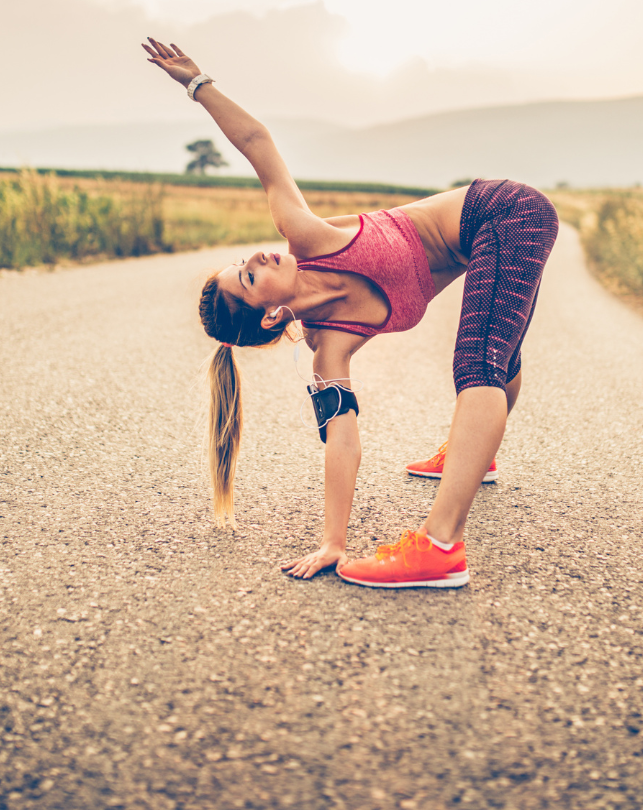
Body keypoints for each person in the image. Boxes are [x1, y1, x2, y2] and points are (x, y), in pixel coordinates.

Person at [142, 38, 558, 588]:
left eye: (244, 261)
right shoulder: (331, 346)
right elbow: (342, 441)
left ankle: (439, 542)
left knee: (478, 361)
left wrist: (197, 84)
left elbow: (257, 142)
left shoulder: (307, 235)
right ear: (270, 317)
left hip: (504, 211)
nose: (262, 256)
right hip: (490, 243)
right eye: (250, 276)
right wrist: (333, 542)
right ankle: (470, 454)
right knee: (495, 354)